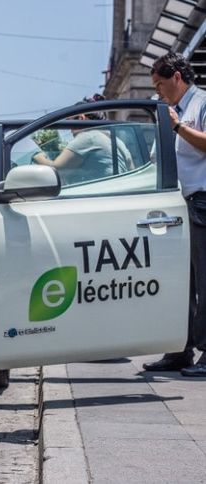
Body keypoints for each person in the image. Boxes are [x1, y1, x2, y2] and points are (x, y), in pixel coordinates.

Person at [143, 53, 206, 376]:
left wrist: (178, 127)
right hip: (175, 206)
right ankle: (180, 349)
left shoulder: (199, 105)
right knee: (181, 281)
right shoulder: (169, 111)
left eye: (160, 84)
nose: (158, 91)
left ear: (178, 77)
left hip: (200, 201)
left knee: (203, 279)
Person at [32, 96, 129, 182]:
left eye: (70, 124)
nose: (70, 131)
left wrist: (38, 157)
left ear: (81, 118)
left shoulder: (88, 137)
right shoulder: (118, 142)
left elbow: (58, 171)